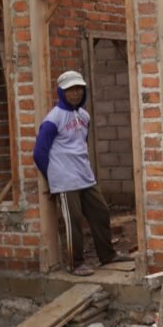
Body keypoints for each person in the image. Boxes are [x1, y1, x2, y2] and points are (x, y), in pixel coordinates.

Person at [33, 70, 130, 276]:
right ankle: (75, 263)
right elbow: (39, 153)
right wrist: (53, 178)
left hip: (85, 177)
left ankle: (107, 255)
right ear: (61, 92)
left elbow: (81, 145)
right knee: (73, 221)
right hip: (65, 181)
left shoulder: (84, 116)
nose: (75, 93)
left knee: (101, 211)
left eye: (78, 89)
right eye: (70, 90)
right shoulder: (53, 119)